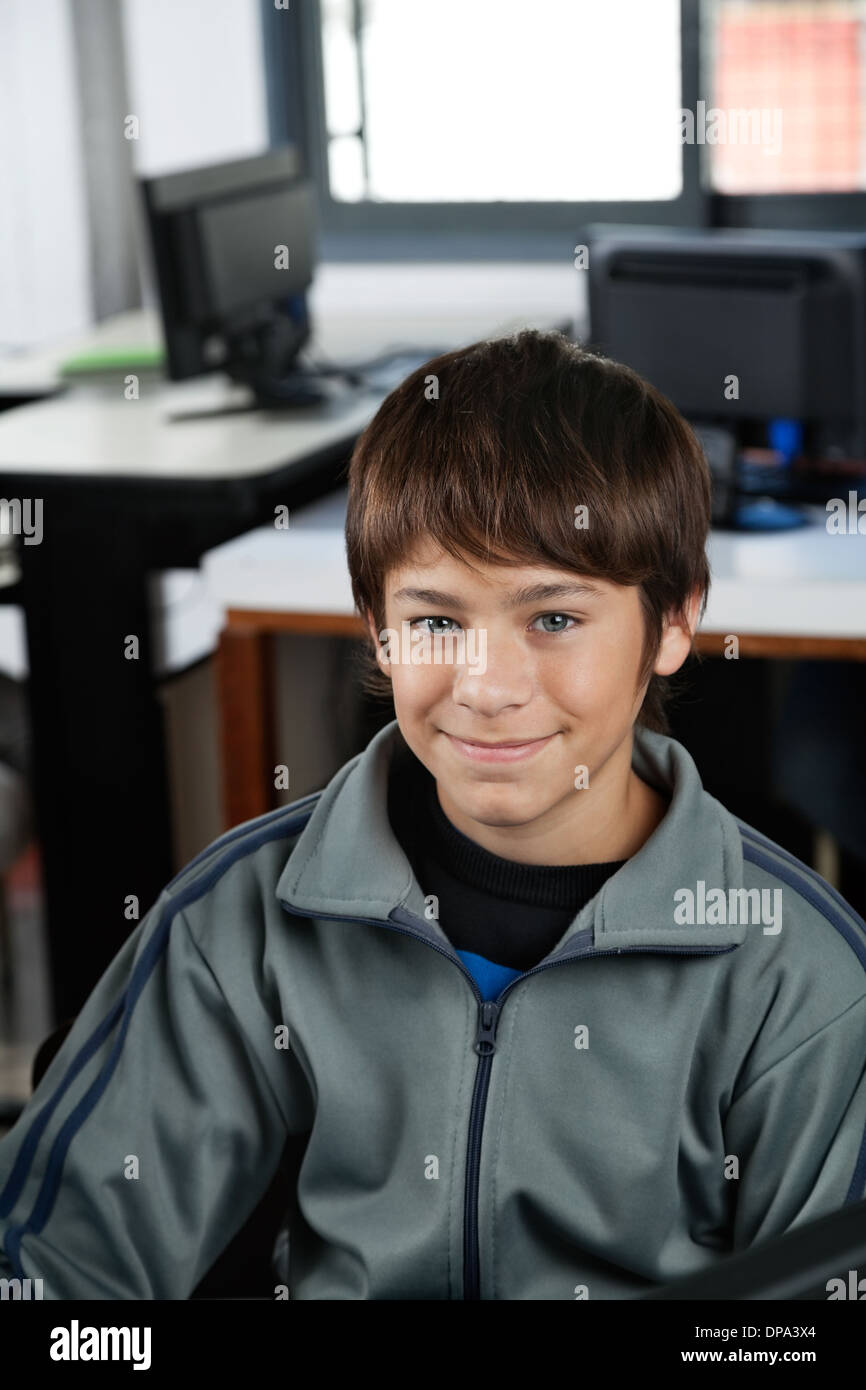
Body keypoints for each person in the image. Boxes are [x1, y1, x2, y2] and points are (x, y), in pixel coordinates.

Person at [1, 329, 864, 1299]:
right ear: (377, 632)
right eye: (436, 622)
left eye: (554, 619)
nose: (486, 687)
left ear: (673, 623)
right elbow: (52, 1275)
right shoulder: (238, 922)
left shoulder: (803, 979)